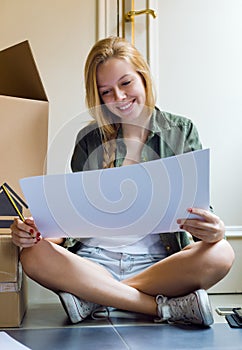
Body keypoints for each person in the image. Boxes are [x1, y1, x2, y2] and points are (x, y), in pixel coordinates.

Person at [11, 36, 234, 327]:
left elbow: (199, 211)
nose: (118, 97)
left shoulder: (181, 130)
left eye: (126, 83)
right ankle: (163, 308)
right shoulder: (88, 140)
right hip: (93, 262)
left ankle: (94, 297)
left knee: (222, 253)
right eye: (106, 92)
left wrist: (214, 229)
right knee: (33, 256)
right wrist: (34, 232)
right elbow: (75, 220)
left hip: (158, 264)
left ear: (143, 78)